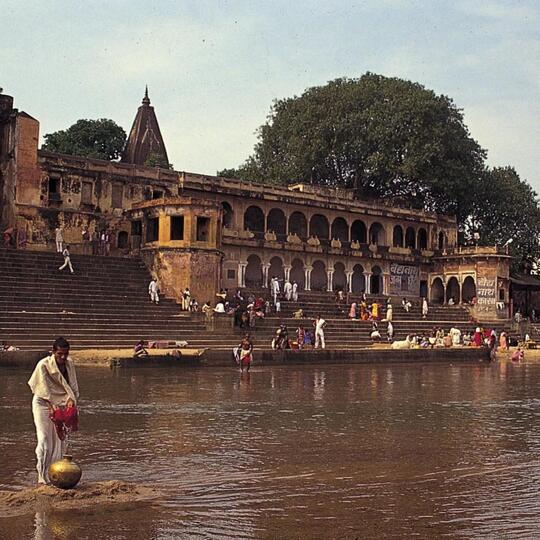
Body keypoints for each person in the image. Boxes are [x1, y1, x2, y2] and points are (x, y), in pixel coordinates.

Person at [28, 337, 79, 485]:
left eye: (65, 354)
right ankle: (42, 477)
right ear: (53, 352)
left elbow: (72, 387)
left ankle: (56, 474)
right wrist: (51, 404)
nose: (63, 357)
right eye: (60, 354)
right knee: (44, 440)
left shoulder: (69, 364)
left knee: (60, 442)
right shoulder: (43, 365)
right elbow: (42, 389)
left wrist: (71, 400)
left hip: (62, 403)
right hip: (43, 403)